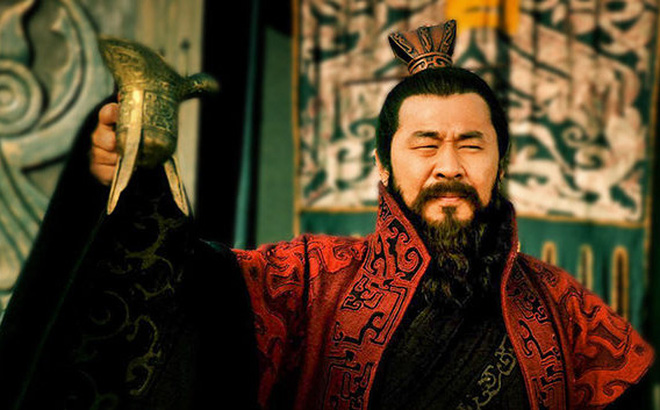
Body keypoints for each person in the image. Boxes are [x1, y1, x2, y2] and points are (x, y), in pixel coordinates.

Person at [0, 20, 653, 410]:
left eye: (471, 144)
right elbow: (191, 292)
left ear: (501, 164)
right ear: (382, 165)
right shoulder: (310, 276)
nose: (448, 166)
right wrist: (131, 180)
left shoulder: (568, 310)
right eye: (425, 144)